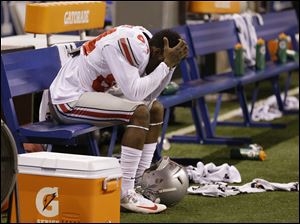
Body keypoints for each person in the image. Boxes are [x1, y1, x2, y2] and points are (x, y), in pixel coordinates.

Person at [49, 24, 188, 214]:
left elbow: (149, 96)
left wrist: (169, 66)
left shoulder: (147, 43)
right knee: (139, 113)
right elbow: (135, 93)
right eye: (164, 60)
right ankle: (124, 193)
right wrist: (165, 65)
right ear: (157, 52)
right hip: (69, 99)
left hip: (92, 94)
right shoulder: (131, 45)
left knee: (155, 108)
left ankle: (140, 180)